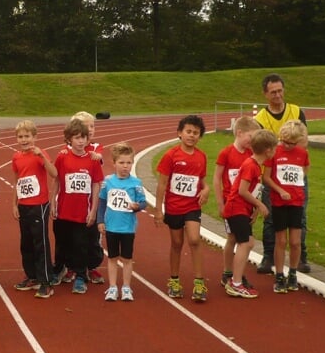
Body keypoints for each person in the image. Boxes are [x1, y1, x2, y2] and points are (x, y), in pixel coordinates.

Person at [253, 74, 310, 274]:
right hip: (272, 174)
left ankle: (301, 255)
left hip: (295, 171)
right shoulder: (260, 118)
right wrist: (282, 149)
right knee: (270, 217)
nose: (277, 95)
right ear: (265, 94)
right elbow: (259, 146)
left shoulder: (295, 110)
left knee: (300, 216)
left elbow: (304, 138)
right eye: (273, 92)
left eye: (280, 90)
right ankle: (268, 256)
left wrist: (284, 148)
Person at [154, 115, 209, 302]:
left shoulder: (201, 156)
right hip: (174, 206)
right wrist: (158, 210)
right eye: (188, 131)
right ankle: (174, 280)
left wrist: (206, 189)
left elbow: (201, 180)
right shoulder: (171, 155)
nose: (192, 135)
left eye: (196, 133)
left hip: (192, 206)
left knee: (194, 239)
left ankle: (199, 282)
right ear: (180, 133)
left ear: (200, 135)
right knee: (177, 243)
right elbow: (162, 184)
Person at [52, 118, 103, 295]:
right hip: (64, 209)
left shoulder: (93, 160)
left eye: (84, 137)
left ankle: (81, 276)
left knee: (81, 244)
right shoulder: (62, 157)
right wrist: (53, 201)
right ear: (69, 139)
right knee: (62, 242)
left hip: (83, 211)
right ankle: (60, 269)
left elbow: (96, 184)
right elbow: (57, 180)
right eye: (77, 137)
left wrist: (94, 210)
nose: (81, 141)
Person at [222, 129, 275, 299]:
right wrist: (260, 205)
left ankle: (235, 279)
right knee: (245, 243)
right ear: (268, 150)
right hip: (235, 208)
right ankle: (235, 282)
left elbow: (253, 190)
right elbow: (242, 191)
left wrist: (253, 211)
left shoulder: (255, 166)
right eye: (274, 148)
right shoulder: (250, 165)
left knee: (248, 242)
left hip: (242, 209)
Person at [12, 120, 58, 298]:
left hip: (39, 205)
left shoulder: (40, 154)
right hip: (24, 205)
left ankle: (46, 281)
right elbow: (18, 181)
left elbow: (54, 173)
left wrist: (43, 157)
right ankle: (31, 276)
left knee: (41, 243)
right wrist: (14, 203)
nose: (24, 140)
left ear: (34, 137)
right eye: (21, 136)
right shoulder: (16, 157)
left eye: (27, 136)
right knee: (26, 243)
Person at [97, 142, 147, 301]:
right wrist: (100, 221)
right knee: (112, 258)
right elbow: (102, 202)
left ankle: (126, 287)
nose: (125, 166)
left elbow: (143, 202)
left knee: (126, 258)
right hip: (111, 226)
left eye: (129, 163)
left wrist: (137, 206)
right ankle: (112, 287)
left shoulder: (136, 183)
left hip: (127, 228)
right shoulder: (108, 181)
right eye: (122, 163)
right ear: (114, 163)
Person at [213, 116, 259, 288]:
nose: (252, 141)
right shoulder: (226, 153)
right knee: (233, 238)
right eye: (250, 137)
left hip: (245, 204)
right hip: (230, 203)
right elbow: (217, 178)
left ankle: (238, 273)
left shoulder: (250, 155)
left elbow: (255, 182)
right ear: (239, 133)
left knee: (243, 240)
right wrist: (220, 203)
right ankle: (228, 272)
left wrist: (255, 207)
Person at [264, 120, 309, 294]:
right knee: (281, 240)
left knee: (296, 241)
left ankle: (293, 273)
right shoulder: (274, 153)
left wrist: (296, 184)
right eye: (284, 141)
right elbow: (266, 177)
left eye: (291, 143)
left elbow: (305, 169)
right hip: (279, 202)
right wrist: (280, 190)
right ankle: (279, 275)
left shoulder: (302, 153)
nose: (287, 145)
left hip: (296, 201)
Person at [71, 111, 106, 285]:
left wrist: (97, 157)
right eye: (86, 127)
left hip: (94, 199)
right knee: (73, 237)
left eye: (92, 126)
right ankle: (72, 266)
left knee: (93, 236)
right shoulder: (69, 150)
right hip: (75, 201)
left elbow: (98, 156)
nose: (90, 130)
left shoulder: (96, 147)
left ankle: (92, 266)